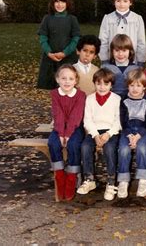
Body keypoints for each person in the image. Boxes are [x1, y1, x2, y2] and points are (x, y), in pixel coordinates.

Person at [77, 68, 121, 201]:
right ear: (94, 83)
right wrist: (95, 135)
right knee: (85, 147)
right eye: (98, 83)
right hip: (94, 131)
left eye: (105, 84)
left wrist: (108, 134)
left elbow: (118, 121)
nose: (102, 87)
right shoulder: (89, 99)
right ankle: (89, 179)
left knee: (109, 148)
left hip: (111, 132)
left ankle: (111, 181)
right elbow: (87, 120)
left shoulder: (116, 99)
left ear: (111, 85)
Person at [47, 64, 86, 201]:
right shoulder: (55, 94)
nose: (67, 82)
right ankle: (59, 175)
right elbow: (58, 115)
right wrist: (61, 134)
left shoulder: (80, 95)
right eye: (63, 78)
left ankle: (71, 177)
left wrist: (68, 135)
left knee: (74, 145)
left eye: (70, 78)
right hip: (59, 127)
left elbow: (76, 116)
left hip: (75, 128)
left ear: (76, 81)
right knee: (53, 142)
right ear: (57, 79)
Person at [117, 68, 146, 198]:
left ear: (144, 87)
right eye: (132, 85)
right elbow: (122, 120)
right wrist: (129, 135)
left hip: (143, 130)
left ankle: (143, 180)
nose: (135, 89)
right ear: (127, 85)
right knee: (123, 149)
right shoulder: (123, 100)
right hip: (127, 130)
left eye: (138, 85)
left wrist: (138, 136)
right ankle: (123, 180)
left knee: (142, 147)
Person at [37, 0, 80, 89]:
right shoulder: (47, 19)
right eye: (57, 1)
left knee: (67, 86)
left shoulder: (72, 19)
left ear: (68, 3)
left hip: (68, 58)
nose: (59, 5)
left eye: (62, 2)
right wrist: (49, 52)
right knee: (51, 88)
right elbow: (43, 38)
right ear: (52, 3)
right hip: (50, 59)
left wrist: (65, 53)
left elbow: (75, 39)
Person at [99, 0, 146, 66]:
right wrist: (104, 60)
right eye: (118, 0)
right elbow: (103, 41)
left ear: (130, 2)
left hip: (132, 61)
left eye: (125, 1)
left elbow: (141, 42)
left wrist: (140, 61)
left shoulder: (137, 19)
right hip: (112, 61)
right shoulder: (108, 18)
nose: (121, 4)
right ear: (114, 1)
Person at [102, 34, 138, 98]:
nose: (120, 54)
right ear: (112, 51)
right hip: (111, 100)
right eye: (117, 50)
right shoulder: (106, 68)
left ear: (130, 51)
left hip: (130, 100)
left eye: (124, 50)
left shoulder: (136, 69)